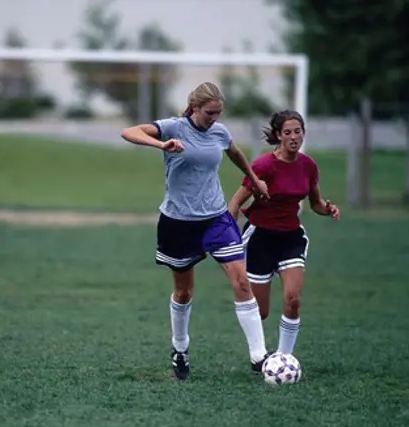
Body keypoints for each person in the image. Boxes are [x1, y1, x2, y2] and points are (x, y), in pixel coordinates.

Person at [120, 81, 273, 381]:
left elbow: (235, 152)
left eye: (218, 113)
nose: (214, 119)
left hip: (216, 218)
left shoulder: (219, 131)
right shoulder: (174, 127)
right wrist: (161, 145)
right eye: (209, 113)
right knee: (184, 290)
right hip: (178, 222)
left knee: (242, 282)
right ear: (195, 107)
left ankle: (259, 357)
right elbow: (129, 132)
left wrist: (254, 178)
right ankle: (180, 349)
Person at [228, 110, 340, 358]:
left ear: (303, 134)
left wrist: (328, 208)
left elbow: (315, 203)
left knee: (293, 300)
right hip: (260, 239)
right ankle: (258, 354)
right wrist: (229, 238)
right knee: (261, 311)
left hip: (290, 237)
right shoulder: (263, 166)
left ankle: (283, 358)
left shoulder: (308, 166)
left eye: (297, 131)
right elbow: (235, 203)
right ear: (278, 135)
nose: (293, 137)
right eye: (287, 132)